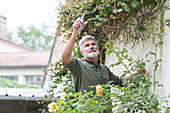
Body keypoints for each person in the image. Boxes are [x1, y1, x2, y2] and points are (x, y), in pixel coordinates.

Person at [61, 17, 145, 112]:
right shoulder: (79, 66)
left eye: (93, 44)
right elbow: (65, 59)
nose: (91, 47)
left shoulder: (104, 69)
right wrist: (75, 32)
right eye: (87, 45)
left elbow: (120, 82)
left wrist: (137, 73)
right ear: (82, 52)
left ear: (97, 47)